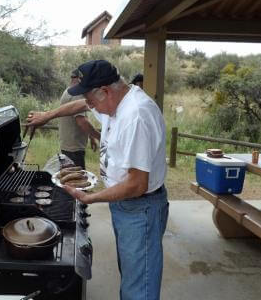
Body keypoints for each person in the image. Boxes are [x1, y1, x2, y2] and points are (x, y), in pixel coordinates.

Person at [27, 60, 169, 300]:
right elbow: (80, 105)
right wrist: (47, 116)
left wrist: (91, 198)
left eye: (91, 99)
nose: (88, 105)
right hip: (126, 206)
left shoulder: (136, 116)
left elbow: (137, 184)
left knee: (139, 287)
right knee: (133, 273)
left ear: (105, 91)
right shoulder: (115, 101)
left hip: (140, 209)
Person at [59, 69, 100, 169]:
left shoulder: (68, 91)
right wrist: (101, 138)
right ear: (79, 79)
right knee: (78, 181)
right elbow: (82, 122)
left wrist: (91, 137)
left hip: (68, 145)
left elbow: (82, 117)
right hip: (74, 148)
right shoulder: (77, 95)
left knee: (70, 179)